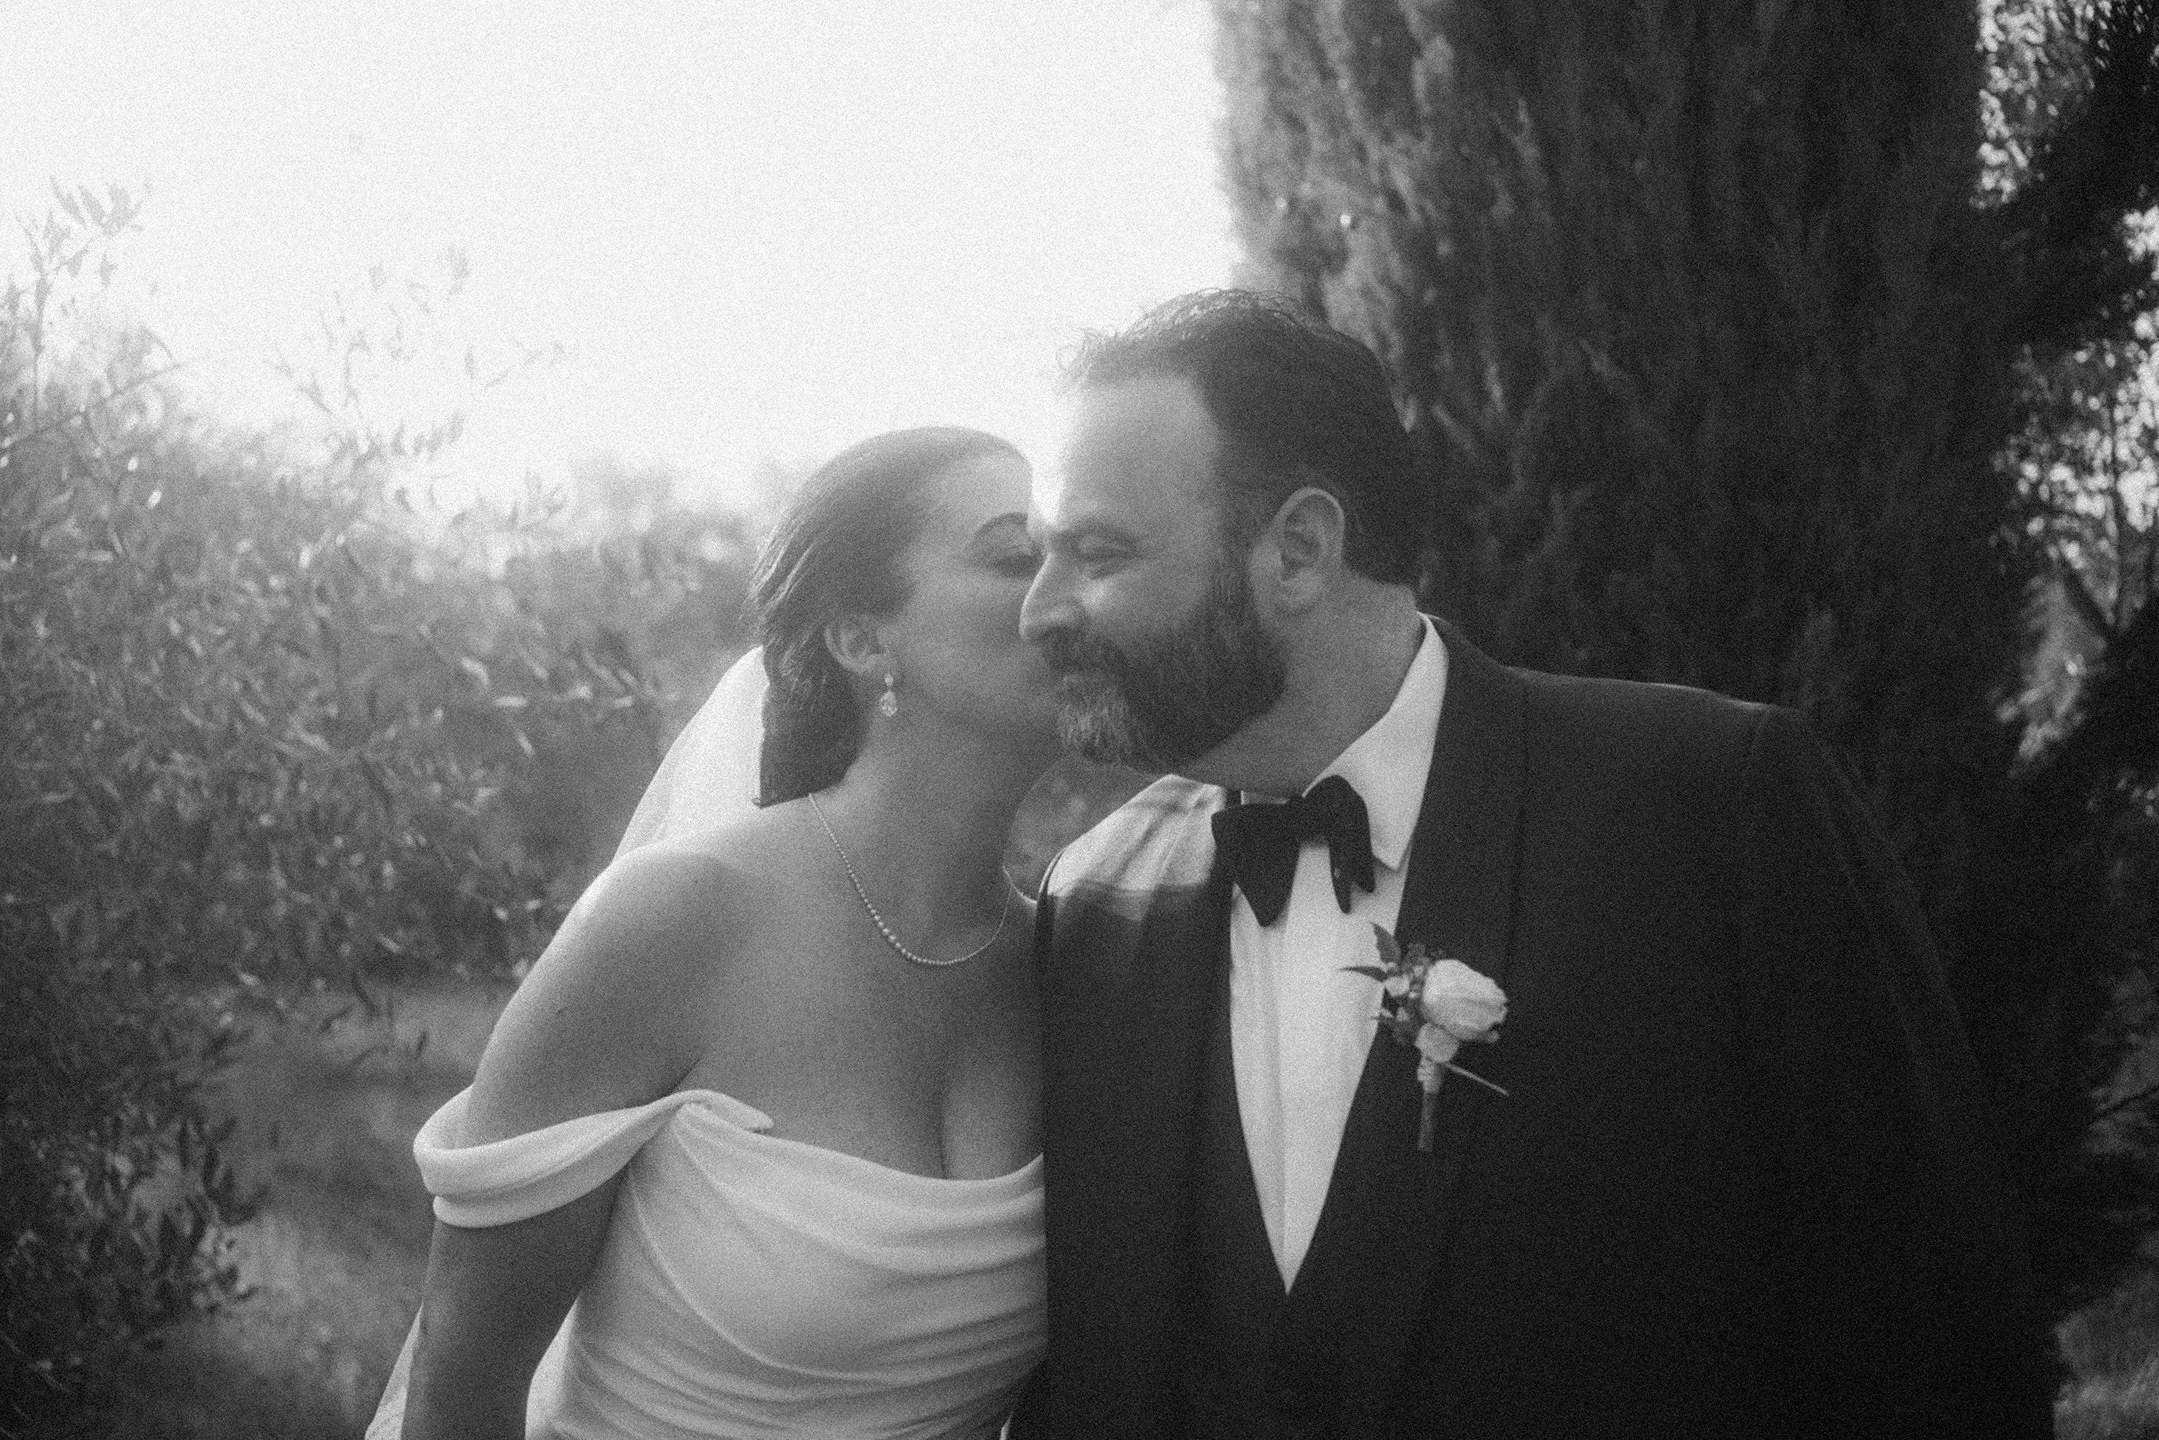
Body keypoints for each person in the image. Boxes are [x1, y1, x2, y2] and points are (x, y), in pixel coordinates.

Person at [1006, 290, 2055, 1439]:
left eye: (1095, 552)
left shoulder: (1710, 806)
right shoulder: (1094, 898)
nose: (1040, 611)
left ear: (1298, 549)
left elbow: (1934, 1332)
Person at [365, 426, 1062, 1440]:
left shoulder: (1063, 968)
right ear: (863, 640)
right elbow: (458, 1391)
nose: (1065, 595)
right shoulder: (671, 925)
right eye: (1012, 556)